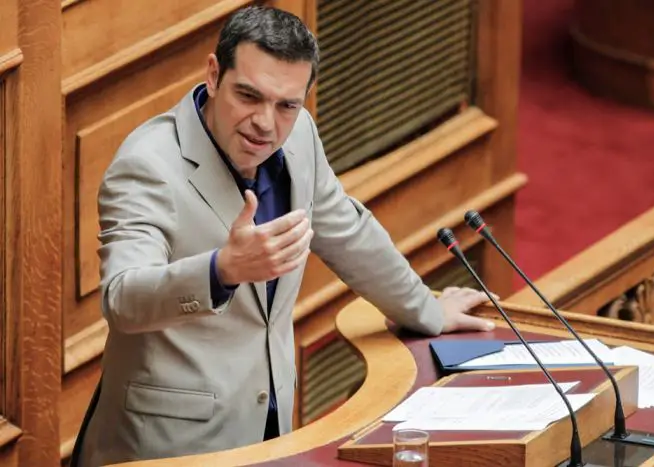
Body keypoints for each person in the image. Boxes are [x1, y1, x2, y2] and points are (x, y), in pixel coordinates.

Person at [72, 5, 496, 467]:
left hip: (272, 431)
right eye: (249, 96)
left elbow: (348, 234)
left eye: (286, 105)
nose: (265, 123)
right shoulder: (148, 165)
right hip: (169, 449)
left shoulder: (298, 138)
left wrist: (426, 309)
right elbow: (122, 298)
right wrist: (221, 270)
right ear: (213, 75)